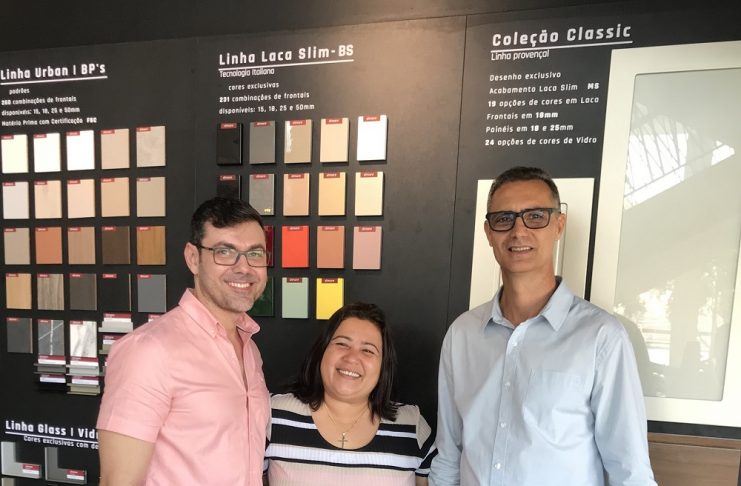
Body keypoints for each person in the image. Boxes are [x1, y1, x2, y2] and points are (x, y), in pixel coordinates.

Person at [430, 167, 656, 486]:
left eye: (535, 216)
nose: (518, 231)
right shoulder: (462, 335)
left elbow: (629, 471)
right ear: (488, 232)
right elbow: (449, 455)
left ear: (559, 225)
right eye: (504, 218)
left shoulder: (601, 337)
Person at [97, 197, 270, 485]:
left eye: (255, 253)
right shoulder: (149, 351)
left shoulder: (249, 347)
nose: (244, 267)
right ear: (193, 258)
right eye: (224, 252)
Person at [265, 303, 436, 486]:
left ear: (383, 367)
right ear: (322, 352)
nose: (352, 357)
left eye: (368, 350)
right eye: (342, 344)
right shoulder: (272, 416)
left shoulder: (412, 426)